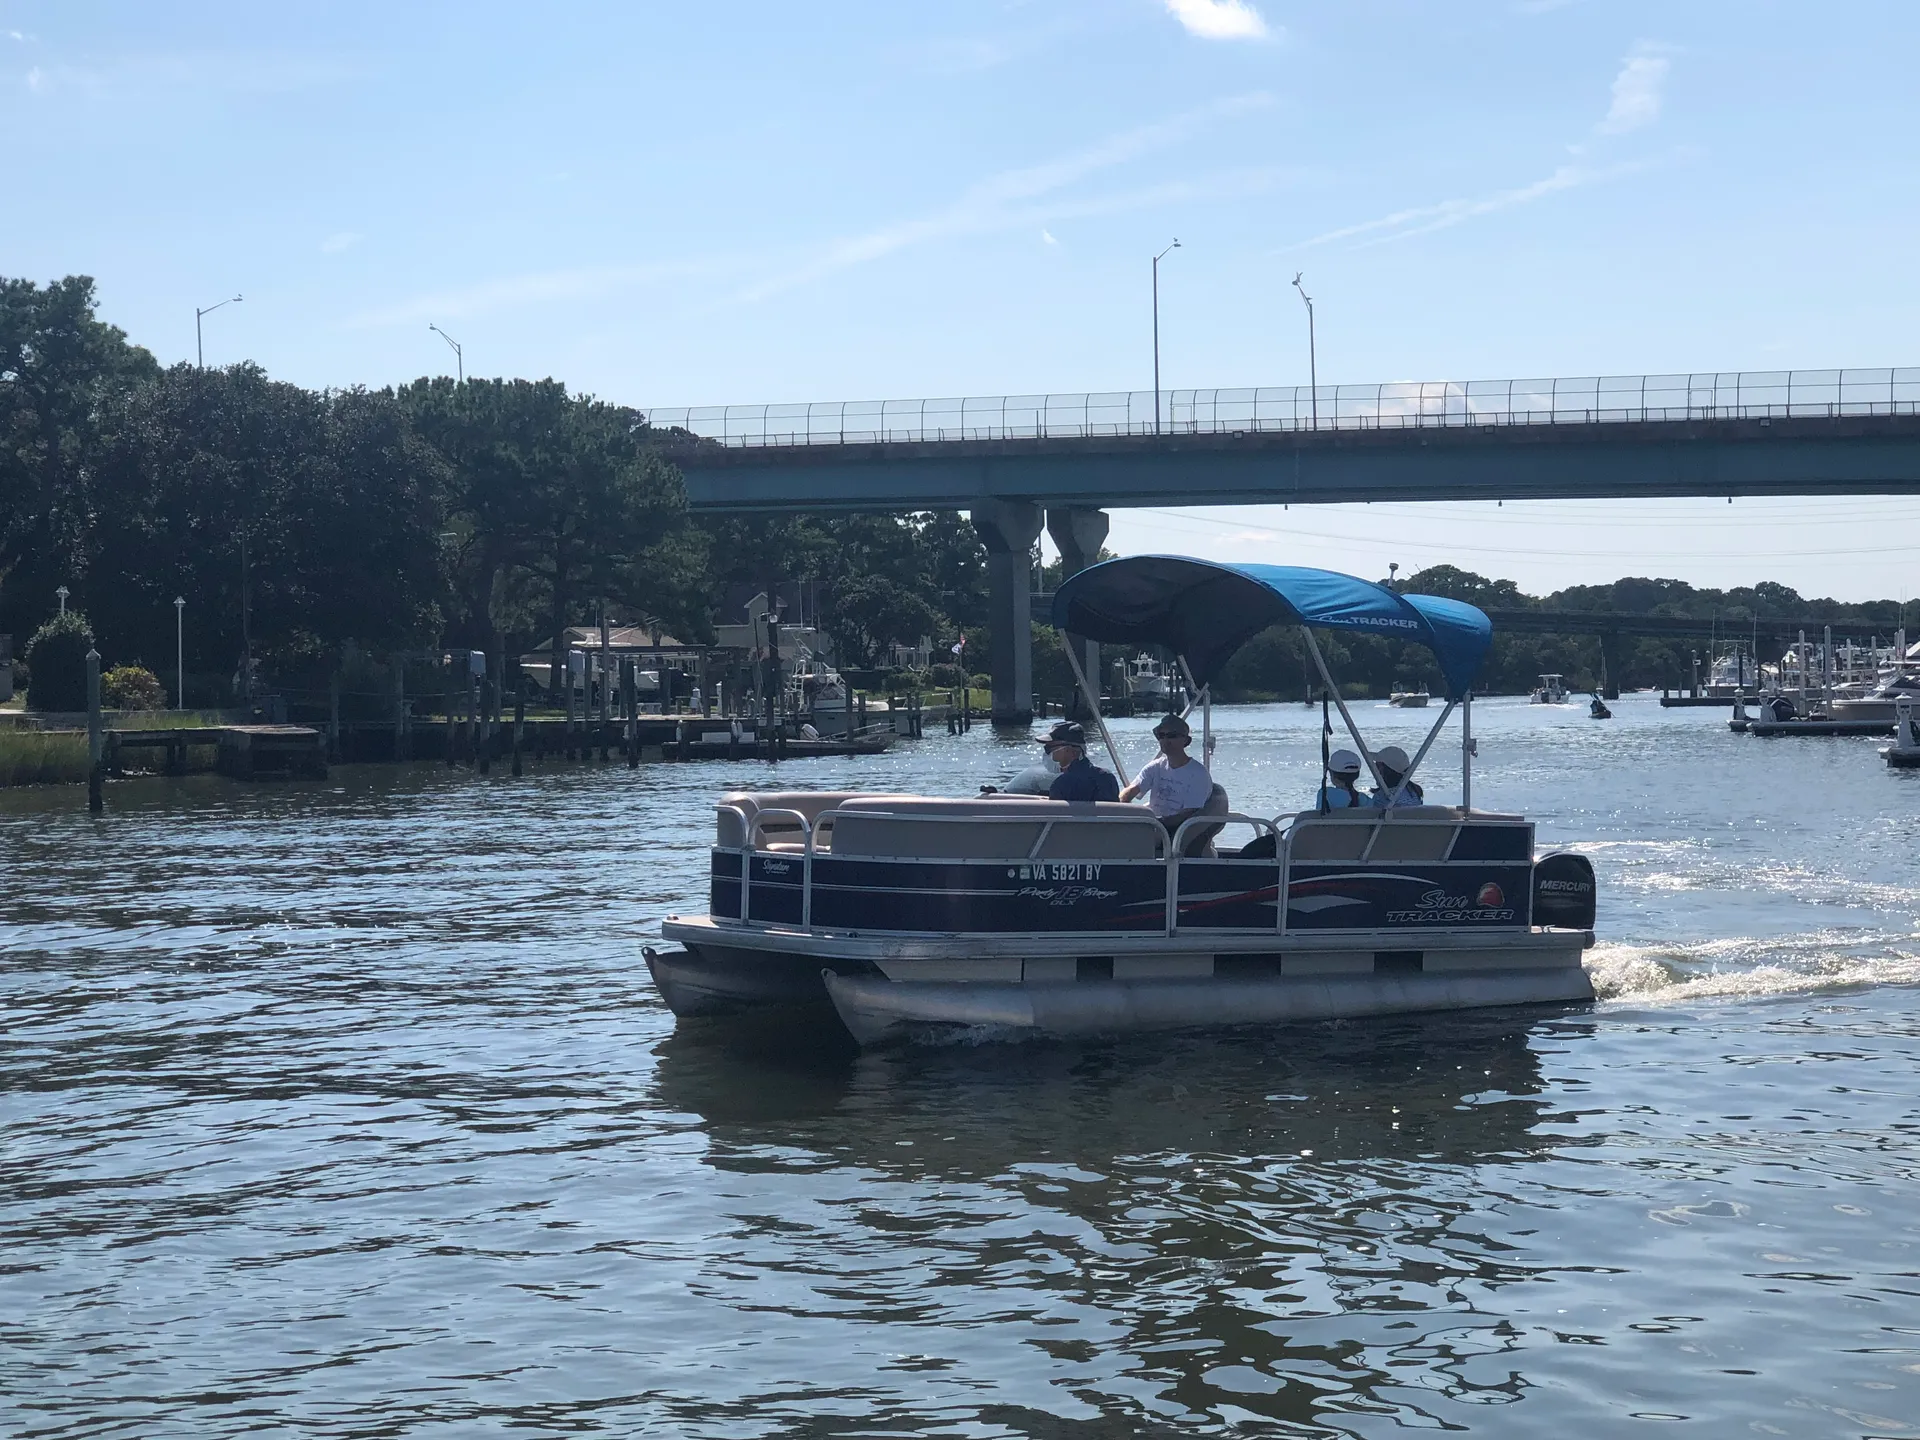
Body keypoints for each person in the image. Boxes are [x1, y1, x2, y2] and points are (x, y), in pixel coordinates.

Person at [1120, 713, 1213, 820]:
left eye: (1171, 736)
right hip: (1152, 825)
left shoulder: (1198, 774)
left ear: (1185, 740)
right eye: (1161, 735)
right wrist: (1120, 805)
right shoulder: (1154, 767)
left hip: (1179, 828)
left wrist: (1158, 824)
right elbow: (1131, 791)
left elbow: (1189, 814)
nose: (1165, 740)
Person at [1043, 720, 1121, 802]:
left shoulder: (1061, 784)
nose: (1047, 754)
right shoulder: (1107, 777)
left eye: (1048, 749)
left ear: (1071, 751)